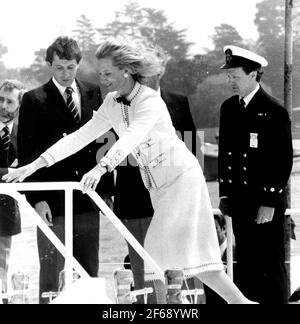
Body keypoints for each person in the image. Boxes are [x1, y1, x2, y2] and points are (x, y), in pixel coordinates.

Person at [4, 38, 256, 304]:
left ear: (126, 70)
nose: (103, 79)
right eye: (100, 73)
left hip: (183, 181)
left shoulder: (149, 101)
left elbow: (130, 138)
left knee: (156, 254)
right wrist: (34, 165)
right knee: (200, 261)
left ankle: (172, 307)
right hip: (159, 188)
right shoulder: (112, 101)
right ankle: (242, 304)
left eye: (108, 73)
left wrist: (101, 168)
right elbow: (81, 136)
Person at [15, 36, 113, 303]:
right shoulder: (33, 100)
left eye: (70, 67)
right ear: (50, 65)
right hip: (53, 201)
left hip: (87, 198)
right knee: (52, 275)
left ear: (78, 64)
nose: (66, 73)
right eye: (59, 68)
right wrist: (36, 199)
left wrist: (106, 191)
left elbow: (106, 142)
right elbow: (27, 154)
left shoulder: (95, 93)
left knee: (88, 273)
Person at [113, 46, 198, 303]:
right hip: (134, 202)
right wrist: (106, 191)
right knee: (144, 278)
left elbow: (192, 152)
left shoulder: (179, 103)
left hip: (172, 201)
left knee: (174, 275)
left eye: (146, 67)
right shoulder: (120, 102)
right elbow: (105, 148)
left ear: (160, 70)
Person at [218, 45, 293, 304]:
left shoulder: (274, 111)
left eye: (235, 76)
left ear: (253, 74)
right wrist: (225, 194)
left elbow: (281, 161)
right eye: (229, 76)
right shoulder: (229, 109)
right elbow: (226, 155)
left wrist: (269, 203)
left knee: (270, 265)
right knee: (246, 264)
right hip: (239, 202)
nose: (231, 81)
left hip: (264, 204)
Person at [0, 80, 26, 295]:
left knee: (1, 268)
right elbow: (13, 173)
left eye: (9, 102)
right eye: (0, 99)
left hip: (5, 211)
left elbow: (26, 172)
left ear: (19, 105)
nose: (3, 105)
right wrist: (8, 172)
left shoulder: (25, 135)